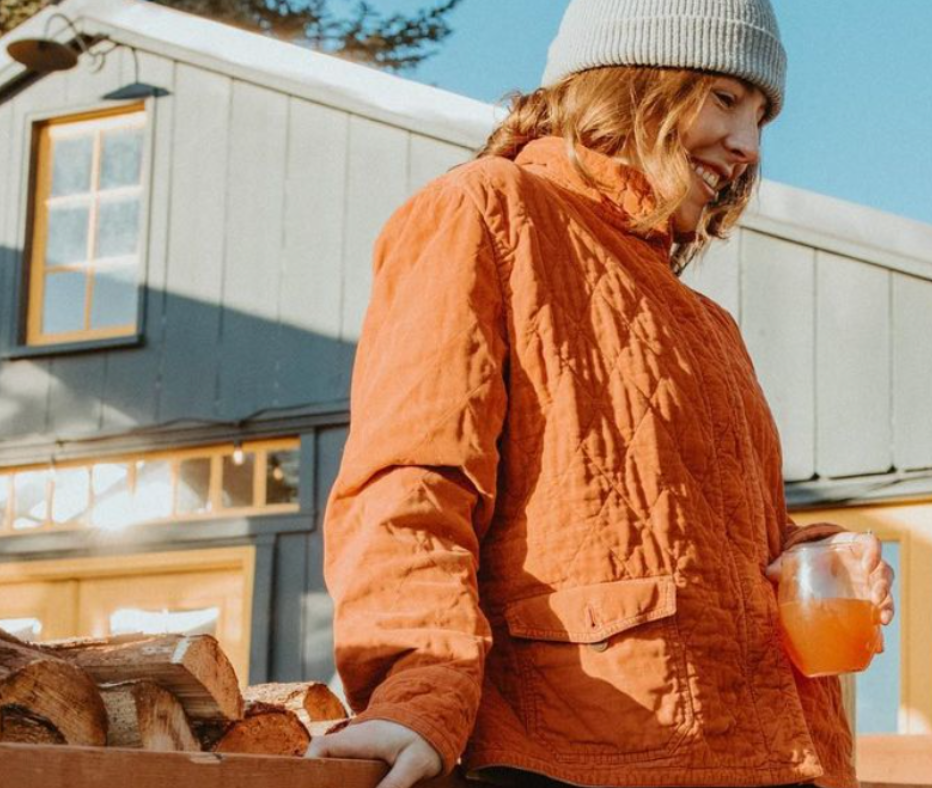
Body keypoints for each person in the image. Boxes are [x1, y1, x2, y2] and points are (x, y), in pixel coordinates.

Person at [306, 1, 896, 787]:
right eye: (723, 99)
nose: (748, 146)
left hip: (761, 760)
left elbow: (693, 537)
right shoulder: (486, 209)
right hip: (579, 760)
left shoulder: (707, 320)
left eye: (761, 116)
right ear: (627, 84)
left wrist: (806, 555)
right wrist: (414, 697)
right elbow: (414, 481)